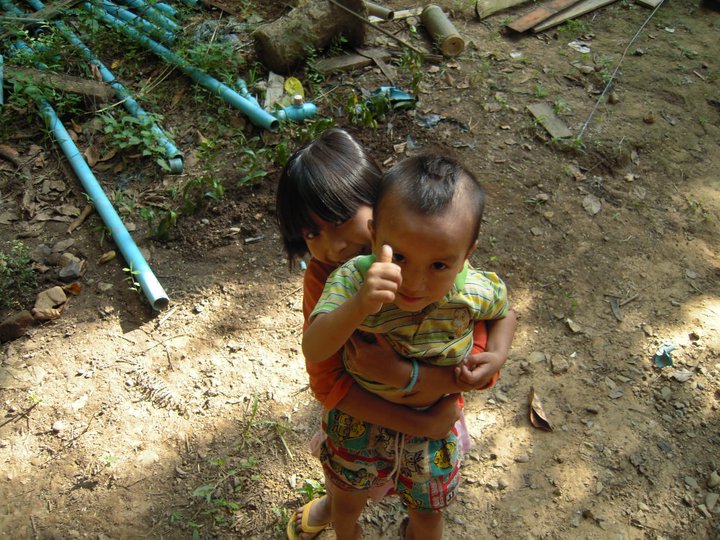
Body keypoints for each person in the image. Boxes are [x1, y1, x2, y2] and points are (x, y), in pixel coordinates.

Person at [276, 129, 515, 539]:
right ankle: (337, 506)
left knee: (424, 507)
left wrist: (474, 367)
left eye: (338, 220)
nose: (332, 246)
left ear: (382, 209)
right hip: (366, 416)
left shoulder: (439, 261)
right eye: (311, 234)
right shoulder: (334, 280)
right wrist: (358, 308)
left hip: (433, 416)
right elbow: (325, 375)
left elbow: (483, 334)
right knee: (347, 485)